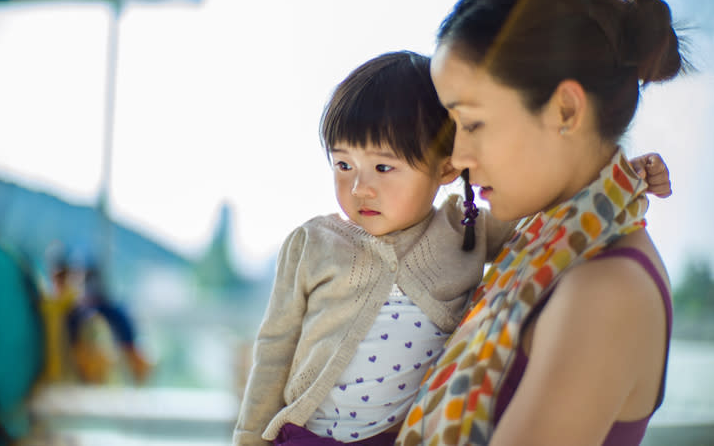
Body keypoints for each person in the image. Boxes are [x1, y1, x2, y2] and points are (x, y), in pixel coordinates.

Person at [232, 51, 670, 446]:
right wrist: (250, 438)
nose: (359, 188)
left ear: (445, 168)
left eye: (383, 166)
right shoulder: (313, 243)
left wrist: (627, 175)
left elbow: (553, 197)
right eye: (343, 164)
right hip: (307, 435)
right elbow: (274, 349)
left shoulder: (467, 227)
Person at [395, 0, 683, 445]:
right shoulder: (543, 245)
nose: (458, 157)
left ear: (565, 111)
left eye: (473, 123)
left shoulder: (606, 291)